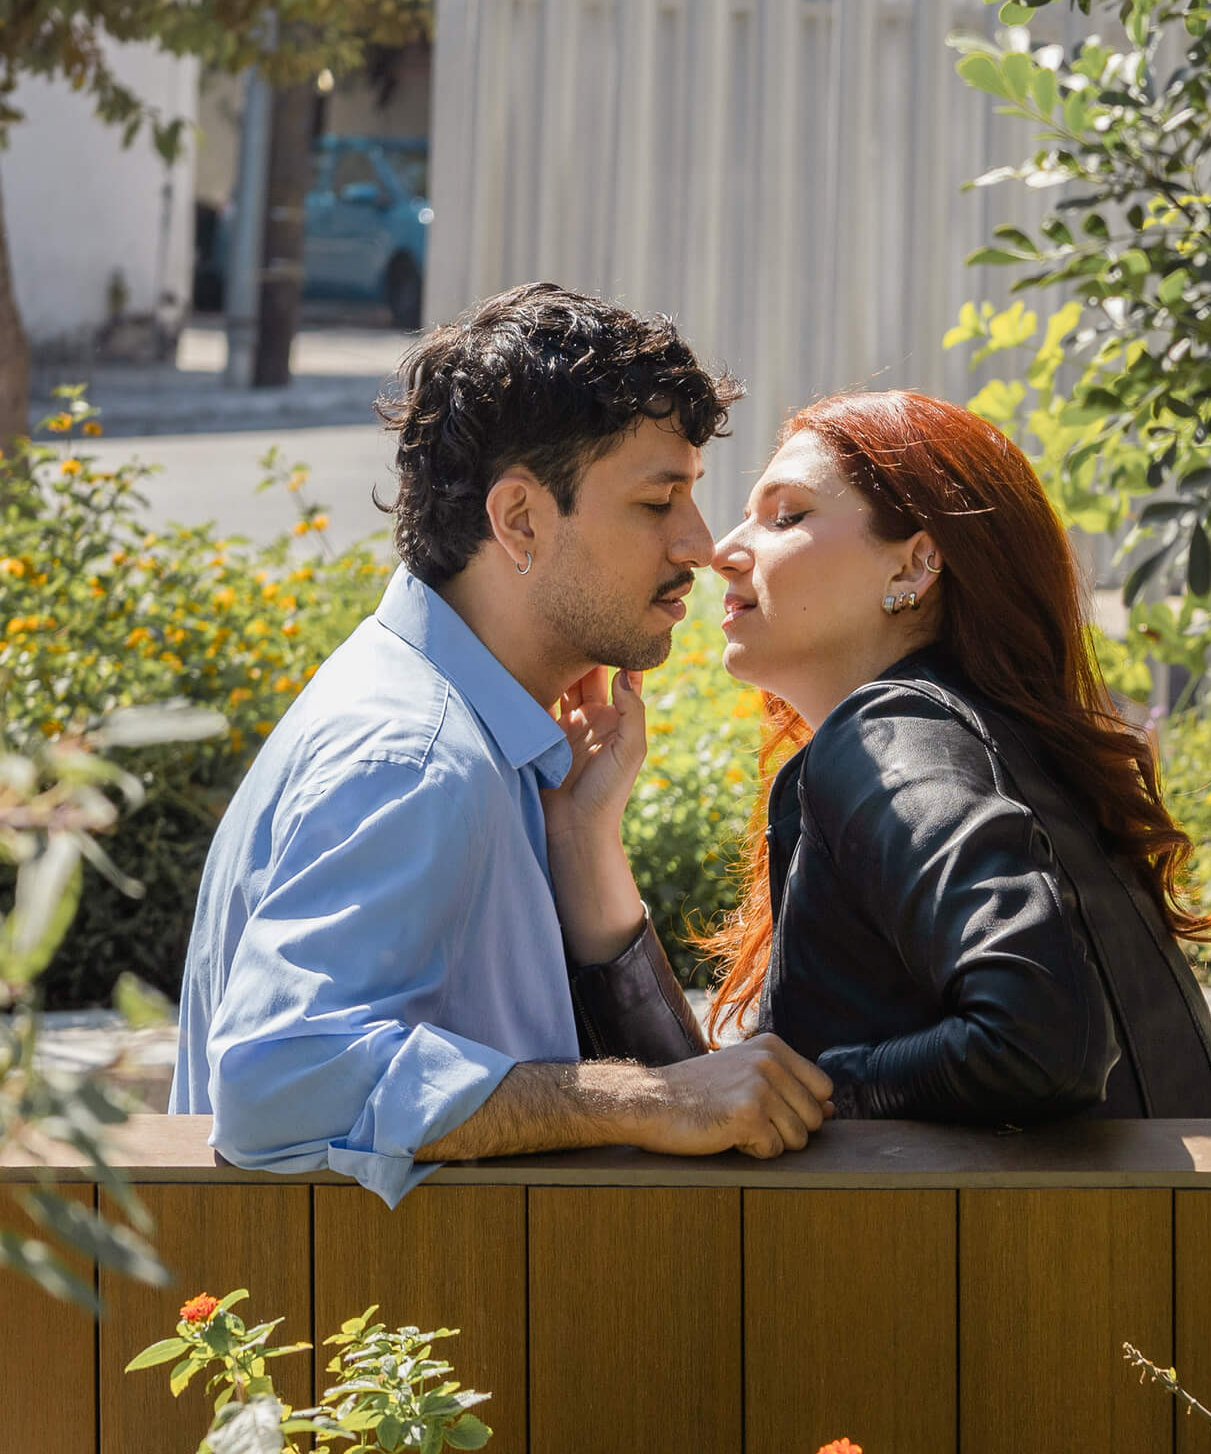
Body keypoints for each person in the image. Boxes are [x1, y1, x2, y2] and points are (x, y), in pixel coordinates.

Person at [169, 283, 831, 1202]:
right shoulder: (412, 756)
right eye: (657, 501)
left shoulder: (454, 723)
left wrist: (582, 845)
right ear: (519, 518)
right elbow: (279, 1082)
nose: (699, 543)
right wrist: (646, 1101)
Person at [697, 389, 1211, 1122]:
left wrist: (822, 1092)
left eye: (786, 517)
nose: (723, 551)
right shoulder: (1002, 744)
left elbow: (1041, 1033)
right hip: (1149, 1231)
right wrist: (588, 842)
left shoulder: (892, 731)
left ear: (915, 566)